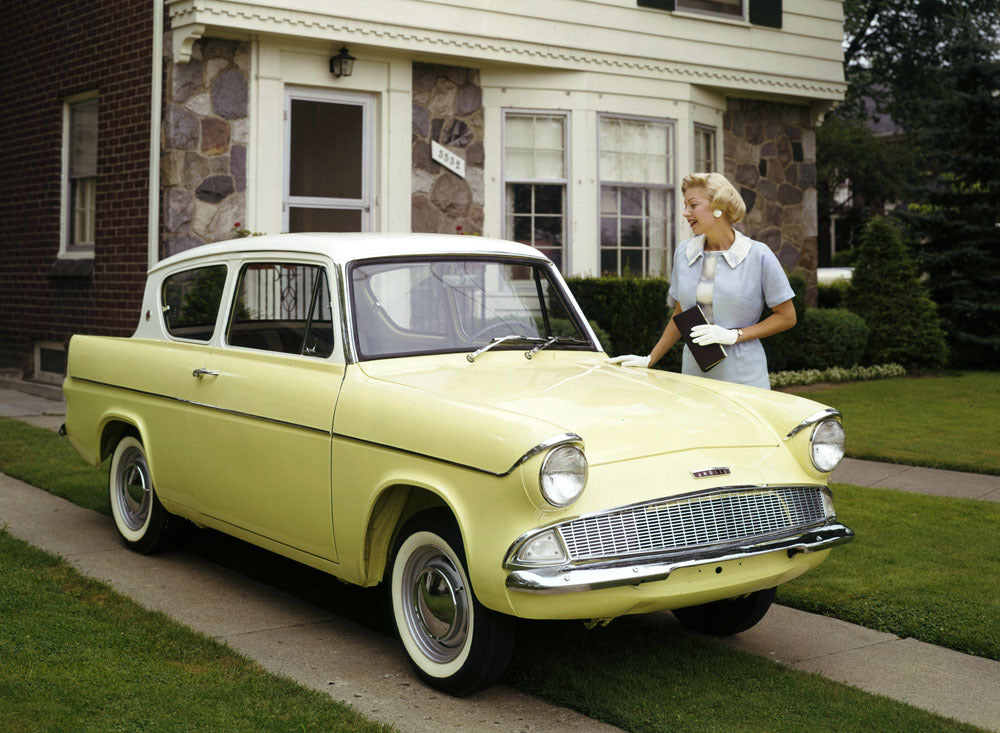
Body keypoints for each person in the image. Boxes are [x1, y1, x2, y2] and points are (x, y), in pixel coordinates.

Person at [609, 172, 796, 389]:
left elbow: (787, 317)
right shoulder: (684, 253)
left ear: (719, 205)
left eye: (693, 205)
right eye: (685, 205)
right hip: (694, 377)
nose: (685, 212)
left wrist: (733, 335)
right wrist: (650, 359)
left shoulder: (757, 255)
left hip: (744, 379)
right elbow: (681, 314)